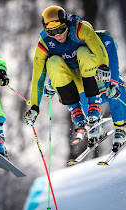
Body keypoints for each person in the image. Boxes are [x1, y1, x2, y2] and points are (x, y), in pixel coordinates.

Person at [24, 6, 110, 142]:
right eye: (51, 32)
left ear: (66, 23)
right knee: (52, 62)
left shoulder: (79, 29)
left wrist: (104, 66)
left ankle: (94, 104)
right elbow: (37, 78)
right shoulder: (44, 45)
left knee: (83, 52)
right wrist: (34, 106)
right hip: (71, 83)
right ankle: (75, 109)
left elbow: (99, 49)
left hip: (90, 76)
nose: (58, 35)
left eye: (60, 29)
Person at [44, 21, 126, 152]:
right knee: (82, 89)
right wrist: (51, 83)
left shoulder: (104, 40)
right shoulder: (74, 45)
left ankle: (120, 126)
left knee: (118, 86)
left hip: (102, 82)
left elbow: (113, 63)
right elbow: (66, 67)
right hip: (89, 85)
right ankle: (94, 123)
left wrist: (113, 83)